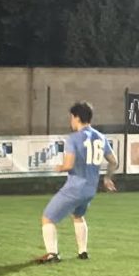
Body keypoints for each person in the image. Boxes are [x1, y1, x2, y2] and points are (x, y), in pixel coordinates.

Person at [37, 101, 118, 264]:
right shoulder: (101, 137)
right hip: (90, 189)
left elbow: (68, 165)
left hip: (75, 187)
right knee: (78, 215)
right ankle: (83, 252)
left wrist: (59, 167)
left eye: (71, 118)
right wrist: (107, 178)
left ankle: (52, 254)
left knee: (47, 218)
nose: (71, 121)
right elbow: (114, 161)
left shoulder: (74, 138)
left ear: (77, 117)